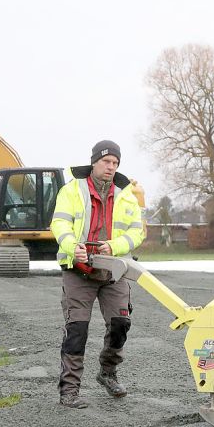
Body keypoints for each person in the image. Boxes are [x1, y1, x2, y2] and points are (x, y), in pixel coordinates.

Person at [50, 140, 145, 409]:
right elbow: (59, 223)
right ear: (94, 162)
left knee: (120, 325)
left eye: (115, 163)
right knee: (77, 330)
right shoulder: (72, 190)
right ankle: (69, 390)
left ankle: (107, 372)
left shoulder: (126, 194)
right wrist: (72, 247)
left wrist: (114, 246)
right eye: (107, 162)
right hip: (78, 270)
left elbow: (137, 232)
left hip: (113, 270)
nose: (111, 167)